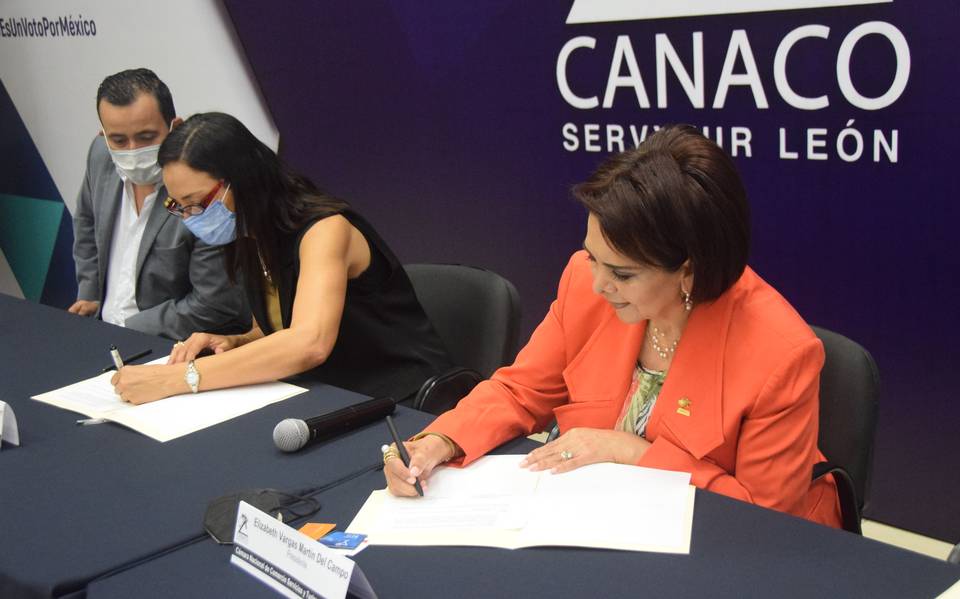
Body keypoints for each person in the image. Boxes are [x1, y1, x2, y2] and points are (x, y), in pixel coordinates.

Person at [383, 125, 842, 528]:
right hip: (605, 520)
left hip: (722, 545)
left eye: (622, 273)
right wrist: (440, 441)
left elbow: (763, 518)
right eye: (592, 256)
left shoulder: (780, 353)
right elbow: (520, 392)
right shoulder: (585, 283)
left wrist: (633, 453)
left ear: (688, 271)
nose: (599, 284)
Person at [110, 112, 452, 405]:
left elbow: (309, 343)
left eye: (197, 203)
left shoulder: (325, 230)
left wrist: (177, 379)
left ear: (241, 181)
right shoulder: (248, 233)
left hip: (403, 400)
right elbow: (280, 326)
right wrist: (236, 341)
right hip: (331, 393)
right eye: (178, 206)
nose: (190, 217)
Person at [69, 68, 249, 339]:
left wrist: (126, 329)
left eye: (146, 137)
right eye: (118, 140)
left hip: (170, 343)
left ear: (175, 128)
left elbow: (215, 303)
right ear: (103, 135)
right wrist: (91, 294)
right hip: (100, 331)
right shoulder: (100, 155)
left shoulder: (201, 187)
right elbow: (86, 221)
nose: (132, 151)